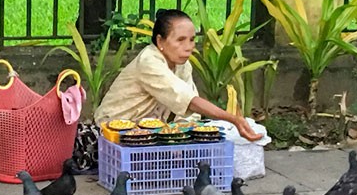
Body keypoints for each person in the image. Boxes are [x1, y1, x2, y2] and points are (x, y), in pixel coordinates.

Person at [94, 8, 263, 142]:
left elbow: (189, 111)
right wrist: (233, 119)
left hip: (147, 135)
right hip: (111, 133)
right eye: (180, 40)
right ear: (160, 41)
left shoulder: (183, 65)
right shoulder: (149, 61)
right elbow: (188, 100)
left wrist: (181, 136)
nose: (189, 47)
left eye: (192, 40)